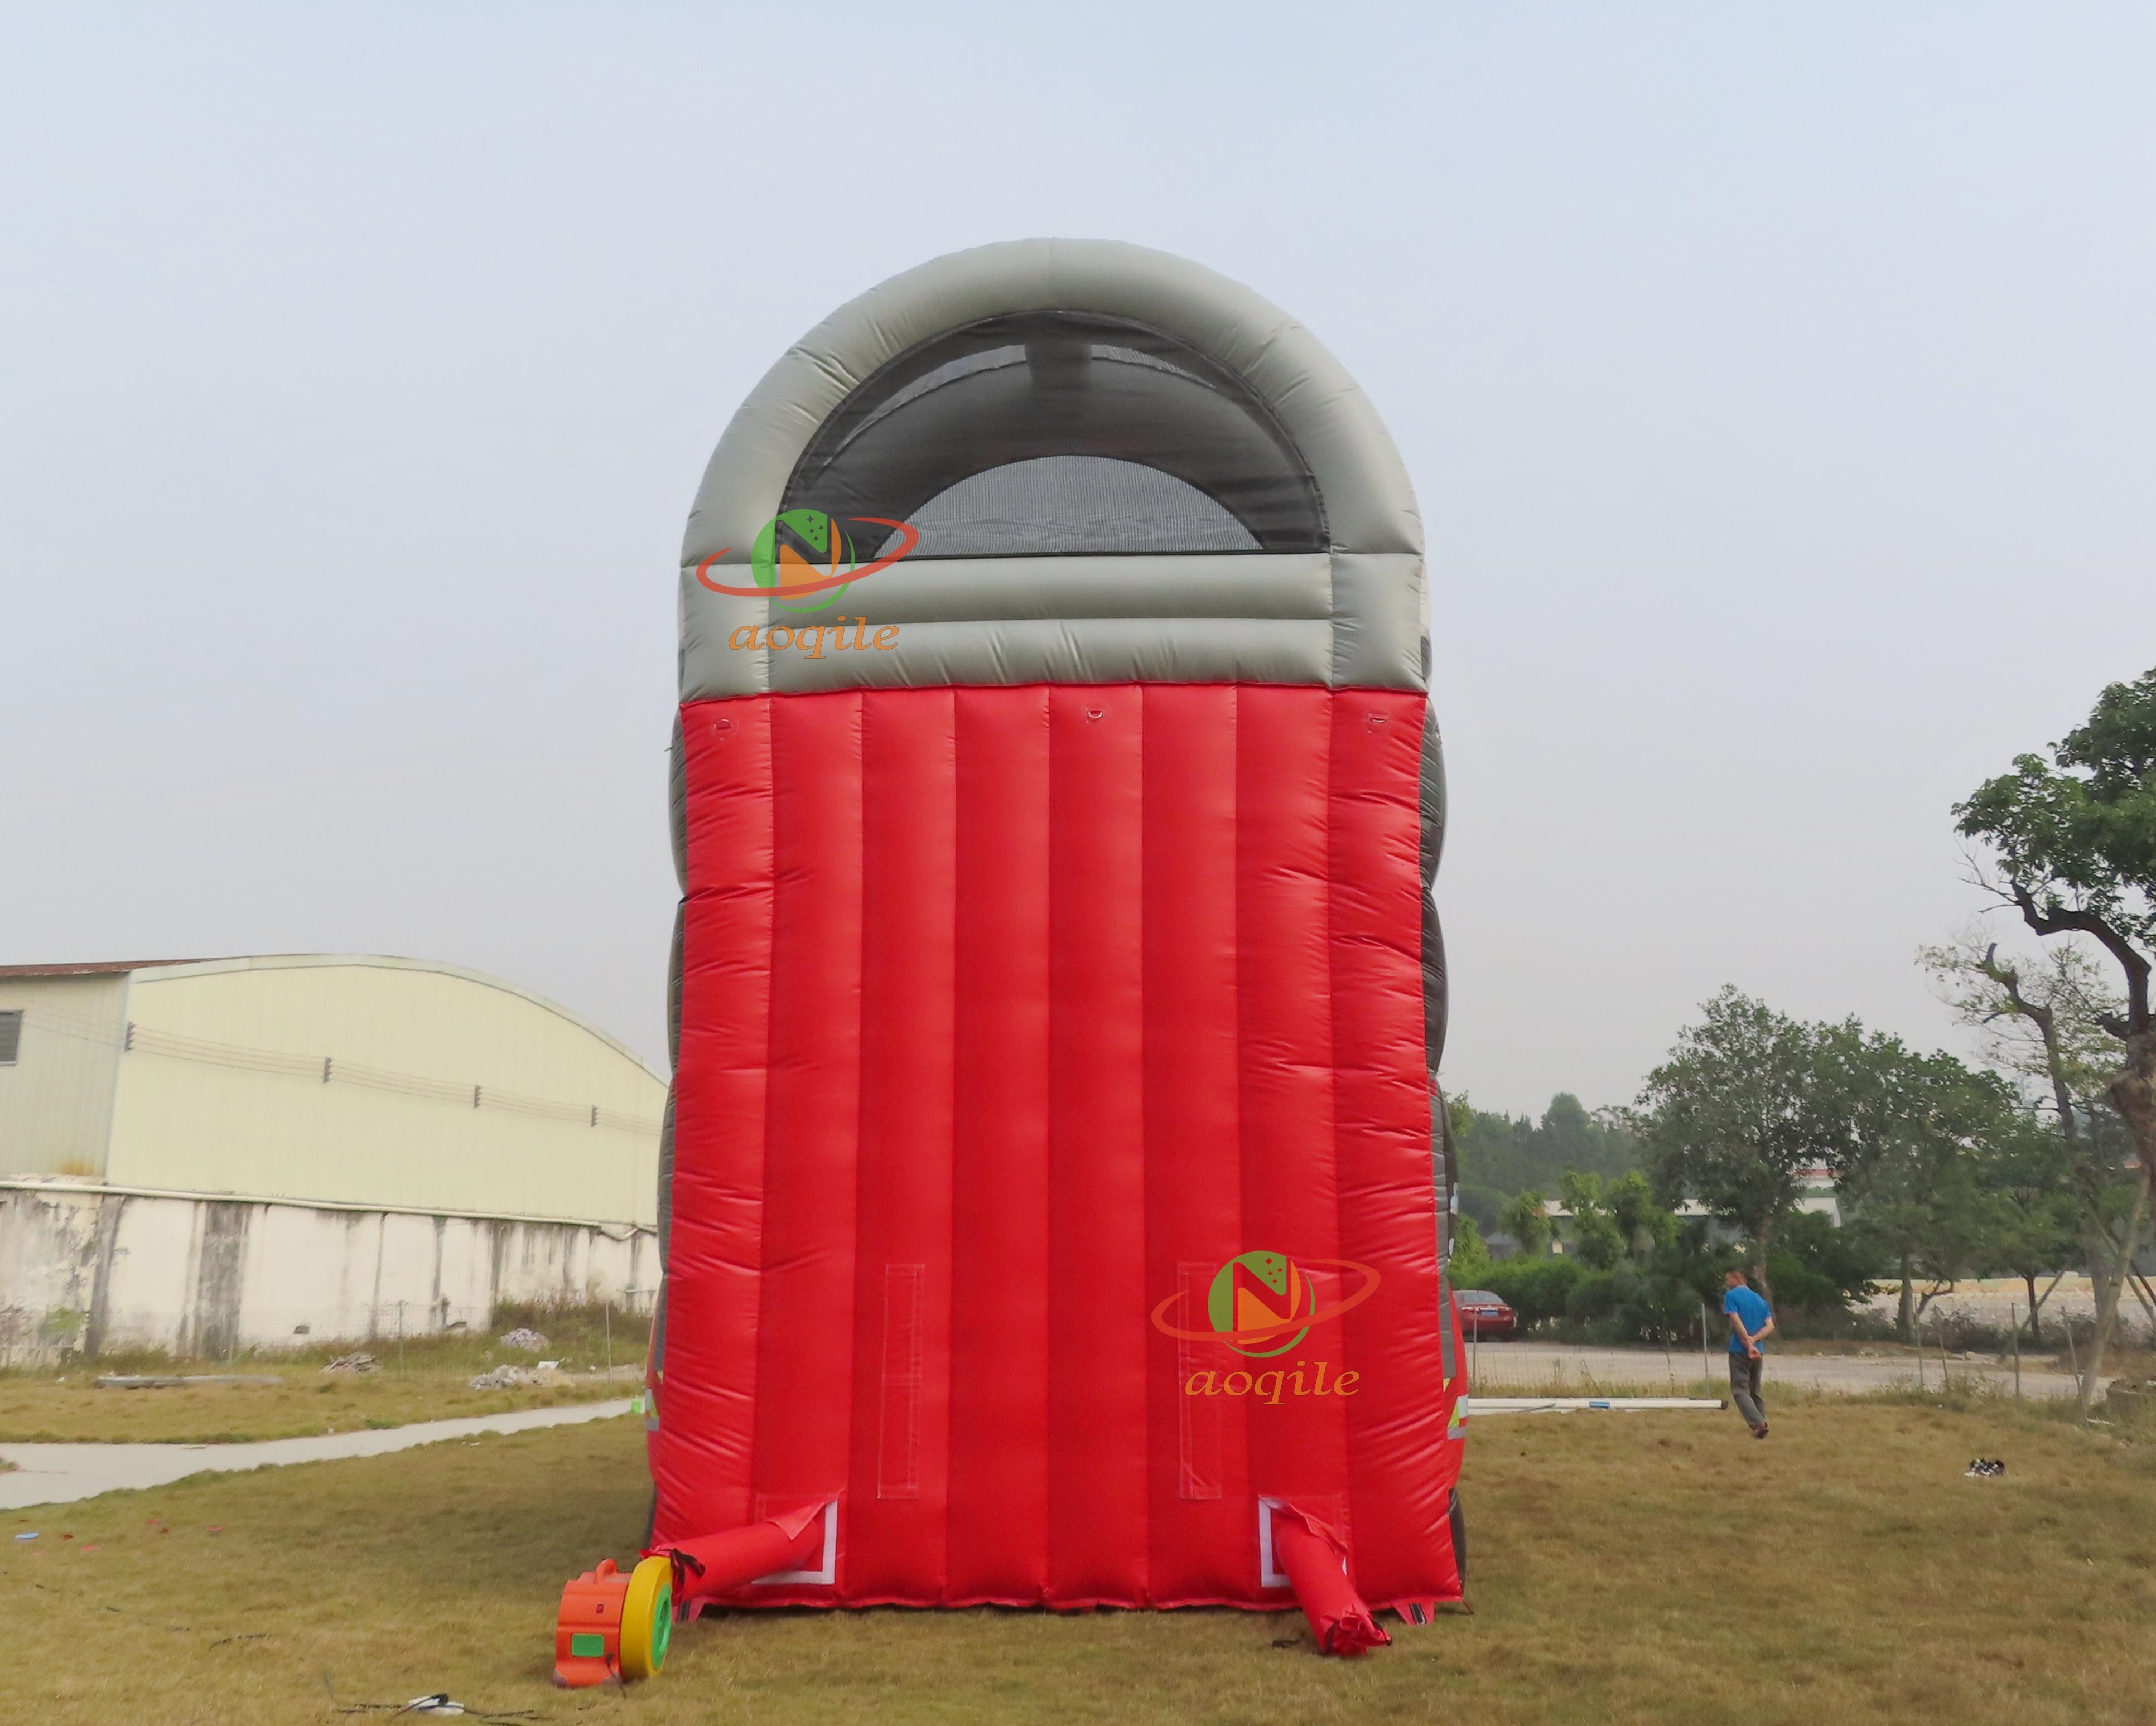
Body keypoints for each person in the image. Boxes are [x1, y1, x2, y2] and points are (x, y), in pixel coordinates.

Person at [1723, 1266, 1774, 1438]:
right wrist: (1755, 1340)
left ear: (1738, 1279)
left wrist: (1746, 1340)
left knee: (1740, 1390)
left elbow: (1735, 1318)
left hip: (1739, 1350)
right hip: (1758, 1351)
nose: (1726, 1283)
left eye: (1728, 1279)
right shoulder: (1760, 1300)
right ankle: (1763, 1422)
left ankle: (1758, 1425)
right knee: (1755, 1390)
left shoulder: (1731, 1296)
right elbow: (1770, 1326)